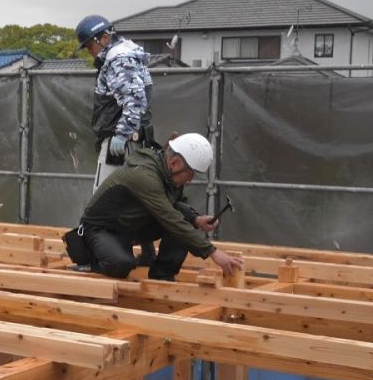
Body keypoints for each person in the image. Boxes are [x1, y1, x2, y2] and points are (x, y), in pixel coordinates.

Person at [63, 133, 243, 282]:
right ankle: (89, 265)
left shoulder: (167, 175)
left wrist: (195, 219)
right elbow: (170, 218)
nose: (191, 180)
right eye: (190, 174)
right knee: (121, 264)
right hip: (100, 231)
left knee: (184, 220)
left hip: (128, 227)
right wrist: (212, 252)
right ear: (174, 164)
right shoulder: (145, 176)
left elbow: (175, 208)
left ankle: (162, 276)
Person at [75, 14, 156, 190]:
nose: (89, 51)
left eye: (89, 45)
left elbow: (134, 99)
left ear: (103, 38)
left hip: (120, 144)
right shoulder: (128, 53)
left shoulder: (118, 58)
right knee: (129, 202)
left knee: (102, 203)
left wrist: (122, 133)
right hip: (135, 141)